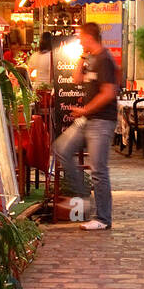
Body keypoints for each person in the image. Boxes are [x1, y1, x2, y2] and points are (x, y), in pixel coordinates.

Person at [51, 22, 118, 231]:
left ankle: (103, 219)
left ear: (90, 37)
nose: (79, 40)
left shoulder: (105, 60)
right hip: (88, 119)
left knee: (99, 170)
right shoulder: (92, 59)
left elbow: (108, 93)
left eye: (81, 37)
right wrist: (81, 57)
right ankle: (82, 195)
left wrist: (85, 110)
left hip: (101, 121)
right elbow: (76, 78)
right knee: (61, 149)